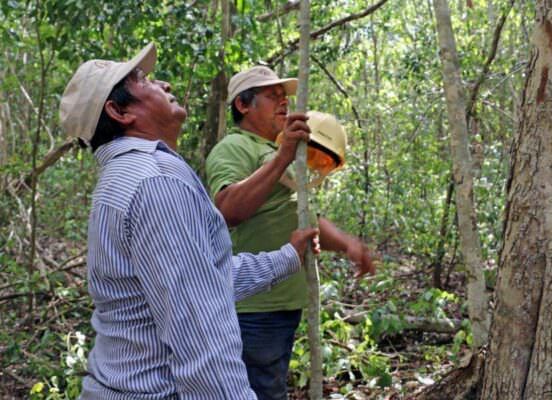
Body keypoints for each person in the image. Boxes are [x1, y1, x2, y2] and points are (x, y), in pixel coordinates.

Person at [59, 43, 319, 399]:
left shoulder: (124, 176)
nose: (163, 84)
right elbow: (199, 333)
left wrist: (286, 257)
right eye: (143, 80)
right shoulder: (156, 181)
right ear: (119, 111)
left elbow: (204, 278)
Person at [205, 66, 376, 399]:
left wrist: (348, 245)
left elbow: (297, 214)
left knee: (269, 386)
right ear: (243, 105)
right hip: (252, 307)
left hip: (281, 302)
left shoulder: (276, 151)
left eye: (285, 97)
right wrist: (282, 157)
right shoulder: (235, 147)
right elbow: (227, 210)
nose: (283, 102)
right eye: (272, 96)